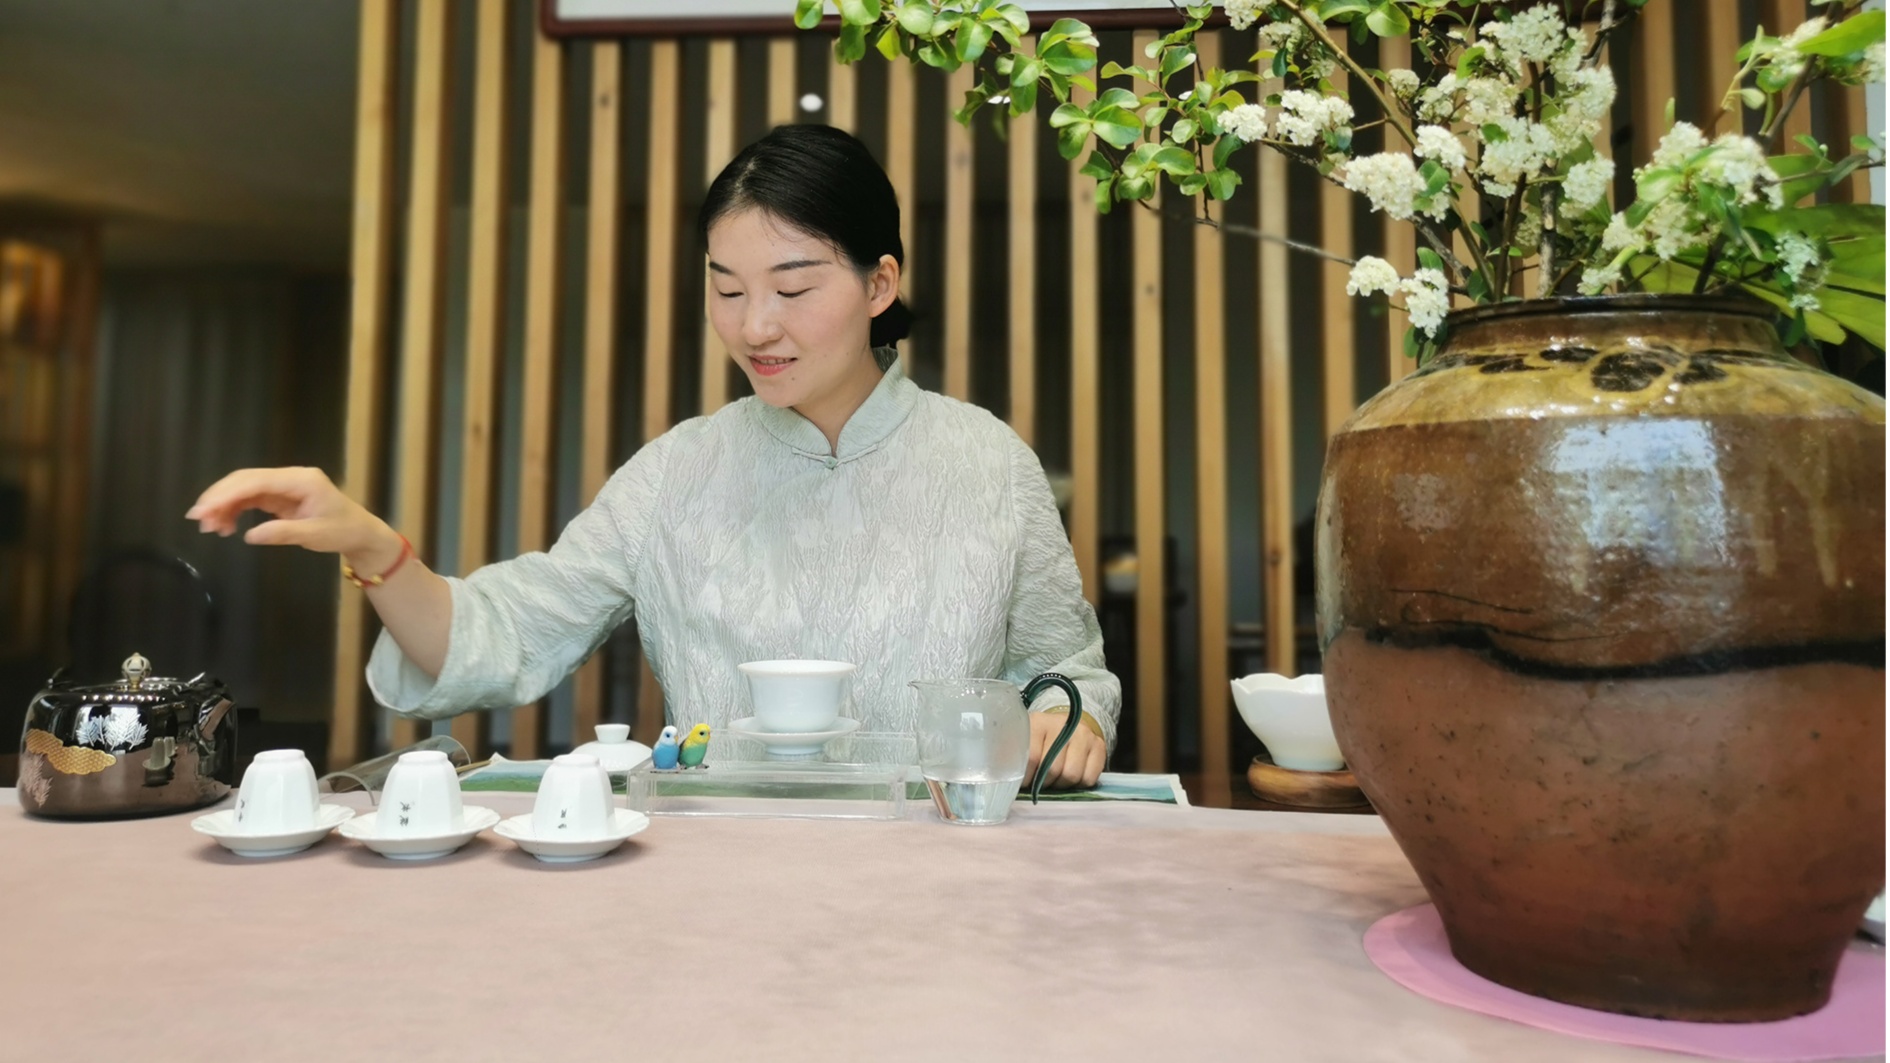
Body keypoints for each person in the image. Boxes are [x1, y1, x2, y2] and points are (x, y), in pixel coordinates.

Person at [186, 124, 1120, 788]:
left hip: (938, 874)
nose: (756, 327)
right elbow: (499, 637)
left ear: (881, 283)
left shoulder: (986, 461)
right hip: (720, 877)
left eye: (793, 288)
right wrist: (374, 548)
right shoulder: (677, 472)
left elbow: (1065, 669)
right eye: (728, 290)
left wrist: (1064, 718)